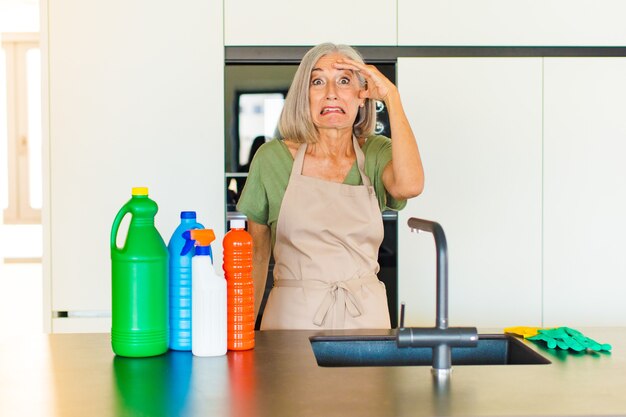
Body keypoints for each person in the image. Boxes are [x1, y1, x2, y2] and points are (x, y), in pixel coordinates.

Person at [236, 43, 424, 330]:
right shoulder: (271, 159)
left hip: (367, 322)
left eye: (345, 80)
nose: (331, 93)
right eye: (318, 81)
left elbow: (410, 185)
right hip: (291, 323)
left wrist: (392, 97)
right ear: (304, 96)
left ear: (362, 96)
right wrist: (242, 334)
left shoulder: (376, 152)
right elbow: (257, 254)